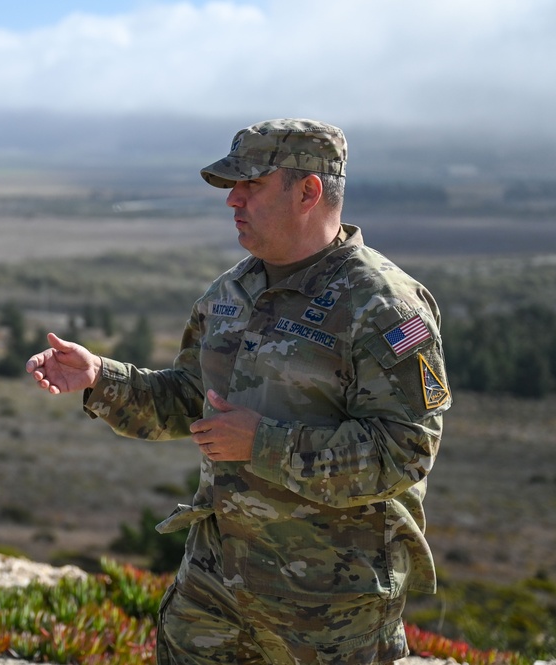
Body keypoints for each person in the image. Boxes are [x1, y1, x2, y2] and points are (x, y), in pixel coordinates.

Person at [26, 118, 450, 665]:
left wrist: (264, 444)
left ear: (309, 190)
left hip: (329, 606)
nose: (233, 200)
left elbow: (405, 451)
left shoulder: (384, 307)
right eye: (232, 186)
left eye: (250, 183)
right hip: (216, 587)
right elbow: (186, 401)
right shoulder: (230, 292)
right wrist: (98, 378)